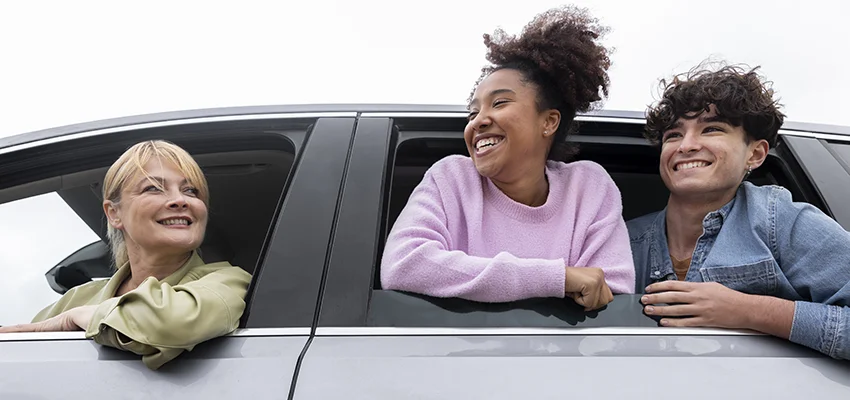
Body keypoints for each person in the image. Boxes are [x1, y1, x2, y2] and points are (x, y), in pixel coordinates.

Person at [380, 6, 635, 310]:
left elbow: (612, 293)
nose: (478, 121)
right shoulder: (451, 177)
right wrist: (557, 278)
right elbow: (404, 264)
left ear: (549, 122)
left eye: (499, 103)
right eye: (473, 112)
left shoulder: (589, 187)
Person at [630, 63, 850, 360]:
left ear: (755, 154)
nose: (686, 145)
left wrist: (748, 311)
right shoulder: (624, 239)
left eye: (711, 129)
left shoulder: (782, 221)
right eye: (673, 135)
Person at [0, 140, 252, 369]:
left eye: (190, 191)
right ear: (114, 213)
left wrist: (82, 317)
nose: (179, 200)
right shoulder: (76, 298)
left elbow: (173, 323)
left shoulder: (230, 282)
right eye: (154, 188)